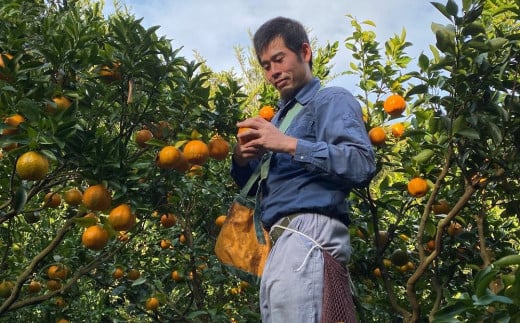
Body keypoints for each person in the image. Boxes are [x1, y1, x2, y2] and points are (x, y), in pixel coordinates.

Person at [231, 16, 376, 322]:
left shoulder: (330, 100)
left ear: (305, 53)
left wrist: (288, 144)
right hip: (281, 240)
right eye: (266, 65)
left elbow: (361, 163)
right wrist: (242, 159)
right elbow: (259, 186)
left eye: (279, 59)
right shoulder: (279, 121)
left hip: (308, 232)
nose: (273, 72)